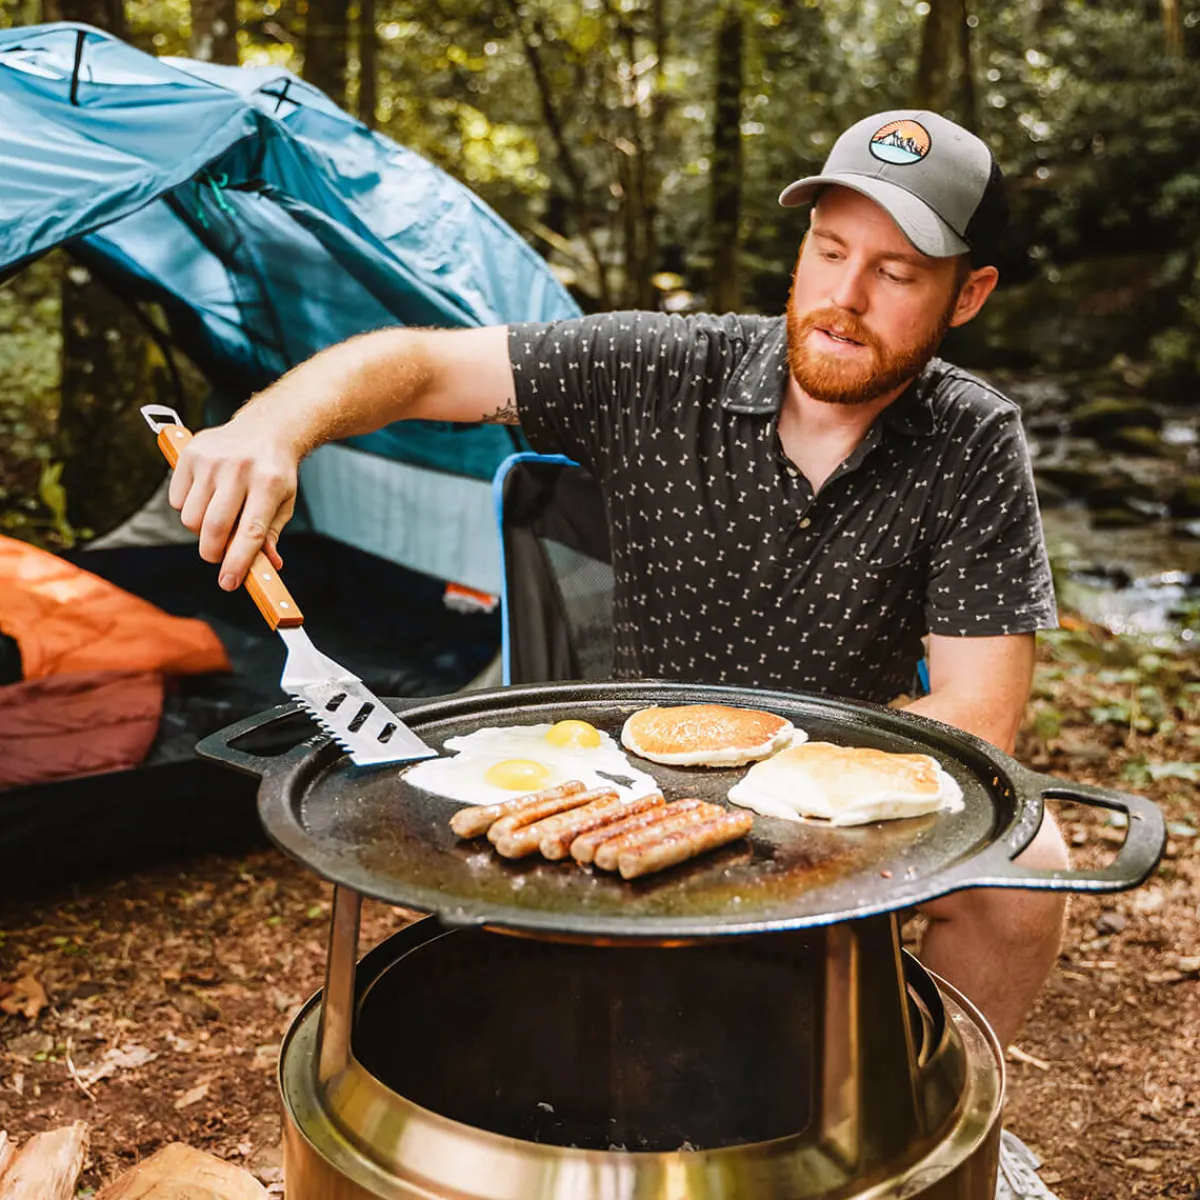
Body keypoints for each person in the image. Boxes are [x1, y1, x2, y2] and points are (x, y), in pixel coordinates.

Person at [170, 109, 1069, 1049]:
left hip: (831, 809)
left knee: (1029, 859)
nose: (845, 296)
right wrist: (272, 429)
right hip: (619, 795)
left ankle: (953, 1111)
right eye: (830, 250)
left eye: (896, 274)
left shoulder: (970, 439)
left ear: (968, 296)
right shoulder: (658, 366)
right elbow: (418, 364)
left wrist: (806, 789)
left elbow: (979, 712)